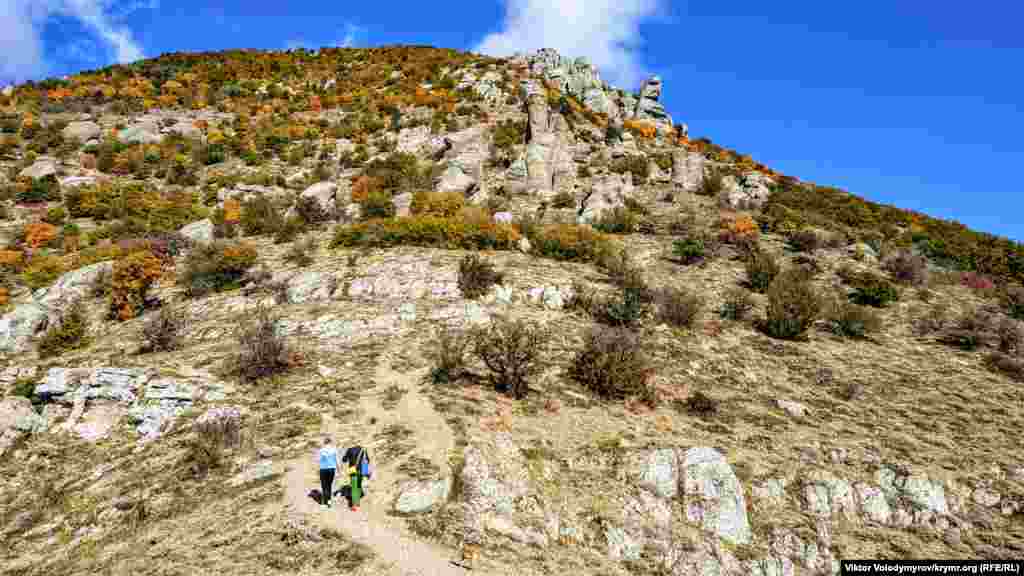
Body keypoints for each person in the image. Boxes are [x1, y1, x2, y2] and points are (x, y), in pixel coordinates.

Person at [341, 445, 371, 511]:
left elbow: (344, 460)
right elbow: (368, 460)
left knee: (354, 485)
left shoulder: (350, 449)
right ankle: (357, 502)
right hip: (361, 470)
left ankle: (354, 505)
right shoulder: (363, 450)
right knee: (358, 485)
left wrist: (349, 459)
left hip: (352, 469)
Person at [318, 437, 339, 509]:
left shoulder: (321, 450)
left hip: (323, 469)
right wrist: (338, 470)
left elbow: (318, 460)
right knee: (329, 485)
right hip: (331, 469)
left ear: (324, 442)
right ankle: (329, 501)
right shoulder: (334, 450)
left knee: (324, 486)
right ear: (330, 442)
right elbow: (337, 460)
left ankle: (324, 503)